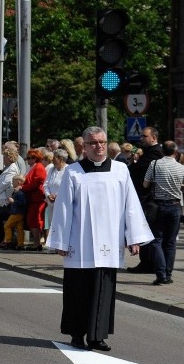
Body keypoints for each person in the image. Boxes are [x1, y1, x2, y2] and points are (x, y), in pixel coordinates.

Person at [47, 126, 153, 351]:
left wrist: (134, 237)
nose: (99, 146)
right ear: (84, 147)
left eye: (102, 142)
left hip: (109, 240)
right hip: (79, 242)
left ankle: (97, 336)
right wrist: (60, 242)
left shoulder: (120, 170)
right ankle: (77, 333)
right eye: (93, 143)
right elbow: (63, 208)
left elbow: (131, 205)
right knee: (78, 290)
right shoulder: (73, 172)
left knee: (103, 290)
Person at [143, 141, 184, 286]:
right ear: (175, 151)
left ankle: (161, 274)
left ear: (162, 150)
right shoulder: (181, 167)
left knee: (156, 240)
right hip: (175, 207)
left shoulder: (154, 164)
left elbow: (145, 184)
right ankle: (168, 273)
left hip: (158, 207)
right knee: (171, 242)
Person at [127, 126, 163, 273]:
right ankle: (149, 263)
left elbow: (136, 171)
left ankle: (148, 264)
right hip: (147, 198)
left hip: (149, 199)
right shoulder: (150, 152)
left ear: (153, 137)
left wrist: (134, 164)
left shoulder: (153, 154)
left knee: (146, 231)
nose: (141, 138)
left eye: (144, 136)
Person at [21, 149, 47, 251]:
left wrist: (23, 187)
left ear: (34, 158)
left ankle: (37, 244)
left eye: (29, 158)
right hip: (33, 199)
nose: (27, 160)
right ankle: (36, 243)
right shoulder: (34, 167)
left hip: (37, 199)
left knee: (35, 220)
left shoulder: (39, 167)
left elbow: (37, 183)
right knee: (32, 221)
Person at [0, 148, 19, 245]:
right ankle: (4, 240)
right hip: (2, 198)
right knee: (2, 221)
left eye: (5, 156)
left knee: (5, 221)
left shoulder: (12, 169)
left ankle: (8, 241)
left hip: (6, 199)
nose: (3, 158)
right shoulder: (8, 168)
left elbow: (5, 184)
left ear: (9, 157)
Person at [43, 149, 69, 244]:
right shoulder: (51, 169)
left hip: (62, 202)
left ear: (61, 159)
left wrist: (57, 195)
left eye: (54, 158)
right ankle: (52, 244)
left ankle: (61, 244)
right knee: (51, 224)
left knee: (60, 224)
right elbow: (45, 184)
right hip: (50, 202)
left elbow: (67, 186)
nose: (52, 159)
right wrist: (48, 195)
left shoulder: (68, 170)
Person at [0, 175, 26, 249]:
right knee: (19, 228)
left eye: (13, 181)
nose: (12, 183)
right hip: (19, 213)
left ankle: (7, 241)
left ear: (18, 182)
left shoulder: (20, 193)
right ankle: (20, 244)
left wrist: (13, 201)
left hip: (16, 213)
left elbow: (23, 203)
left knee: (7, 225)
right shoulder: (19, 191)